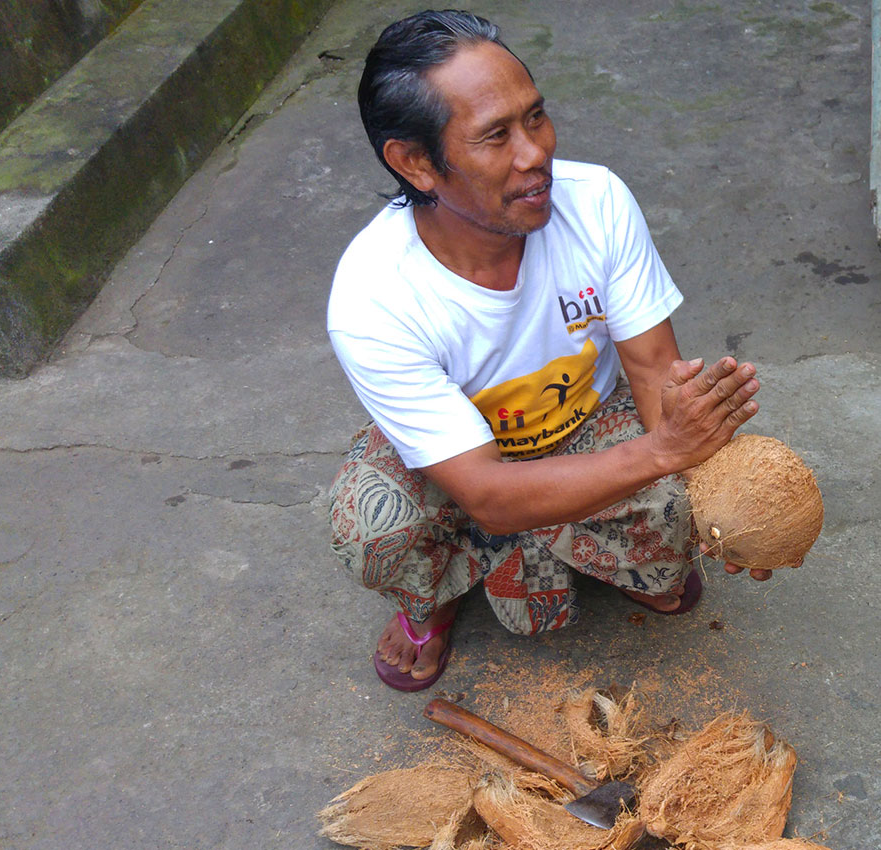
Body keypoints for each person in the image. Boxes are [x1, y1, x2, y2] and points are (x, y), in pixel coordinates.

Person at [325, 10, 773, 692]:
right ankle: (435, 595)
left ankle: (521, 559)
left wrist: (730, 506)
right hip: (465, 467)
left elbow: (654, 374)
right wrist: (662, 456)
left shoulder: (596, 203)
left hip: (586, 429)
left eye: (535, 118)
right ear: (417, 163)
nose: (535, 153)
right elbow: (488, 495)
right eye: (495, 137)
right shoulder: (371, 297)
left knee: (677, 510)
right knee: (373, 522)